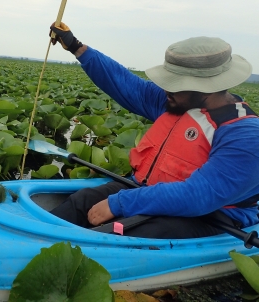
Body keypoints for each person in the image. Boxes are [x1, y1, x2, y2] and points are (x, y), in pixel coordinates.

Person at [48, 22, 259, 239]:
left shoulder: (245, 134)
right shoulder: (178, 101)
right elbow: (126, 84)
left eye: (175, 83)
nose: (166, 88)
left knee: (129, 233)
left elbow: (199, 195)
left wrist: (120, 203)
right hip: (146, 190)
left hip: (212, 214)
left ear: (206, 87)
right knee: (81, 201)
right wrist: (76, 47)